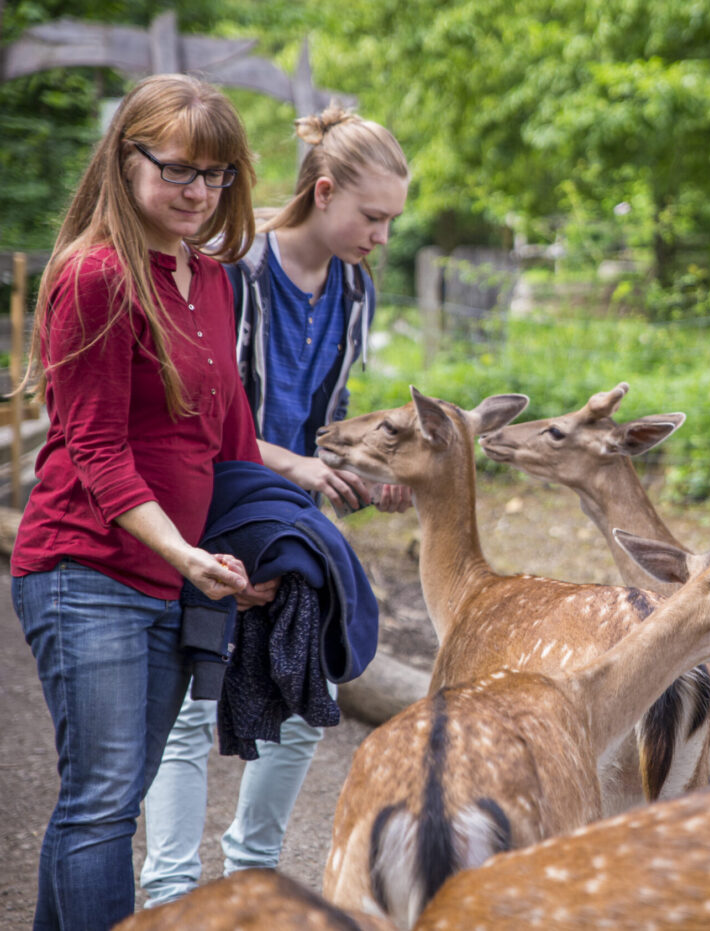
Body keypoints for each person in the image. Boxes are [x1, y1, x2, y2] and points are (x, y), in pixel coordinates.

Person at [140, 105, 412, 907]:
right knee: (195, 703)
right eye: (372, 217)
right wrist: (296, 466)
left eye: (393, 221)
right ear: (322, 192)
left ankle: (251, 880)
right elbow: (204, 419)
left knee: (305, 695)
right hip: (213, 503)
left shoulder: (354, 291)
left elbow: (328, 416)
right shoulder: (233, 272)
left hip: (297, 519)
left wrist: (365, 472)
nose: (382, 237)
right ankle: (170, 897)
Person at [10, 73, 262, 931]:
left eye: (218, 174)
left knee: (106, 800)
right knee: (105, 802)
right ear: (127, 158)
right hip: (87, 568)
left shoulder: (214, 277)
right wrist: (182, 552)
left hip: (169, 575)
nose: (200, 192)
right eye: (180, 170)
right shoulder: (94, 274)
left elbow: (228, 436)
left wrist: (272, 528)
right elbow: (97, 448)